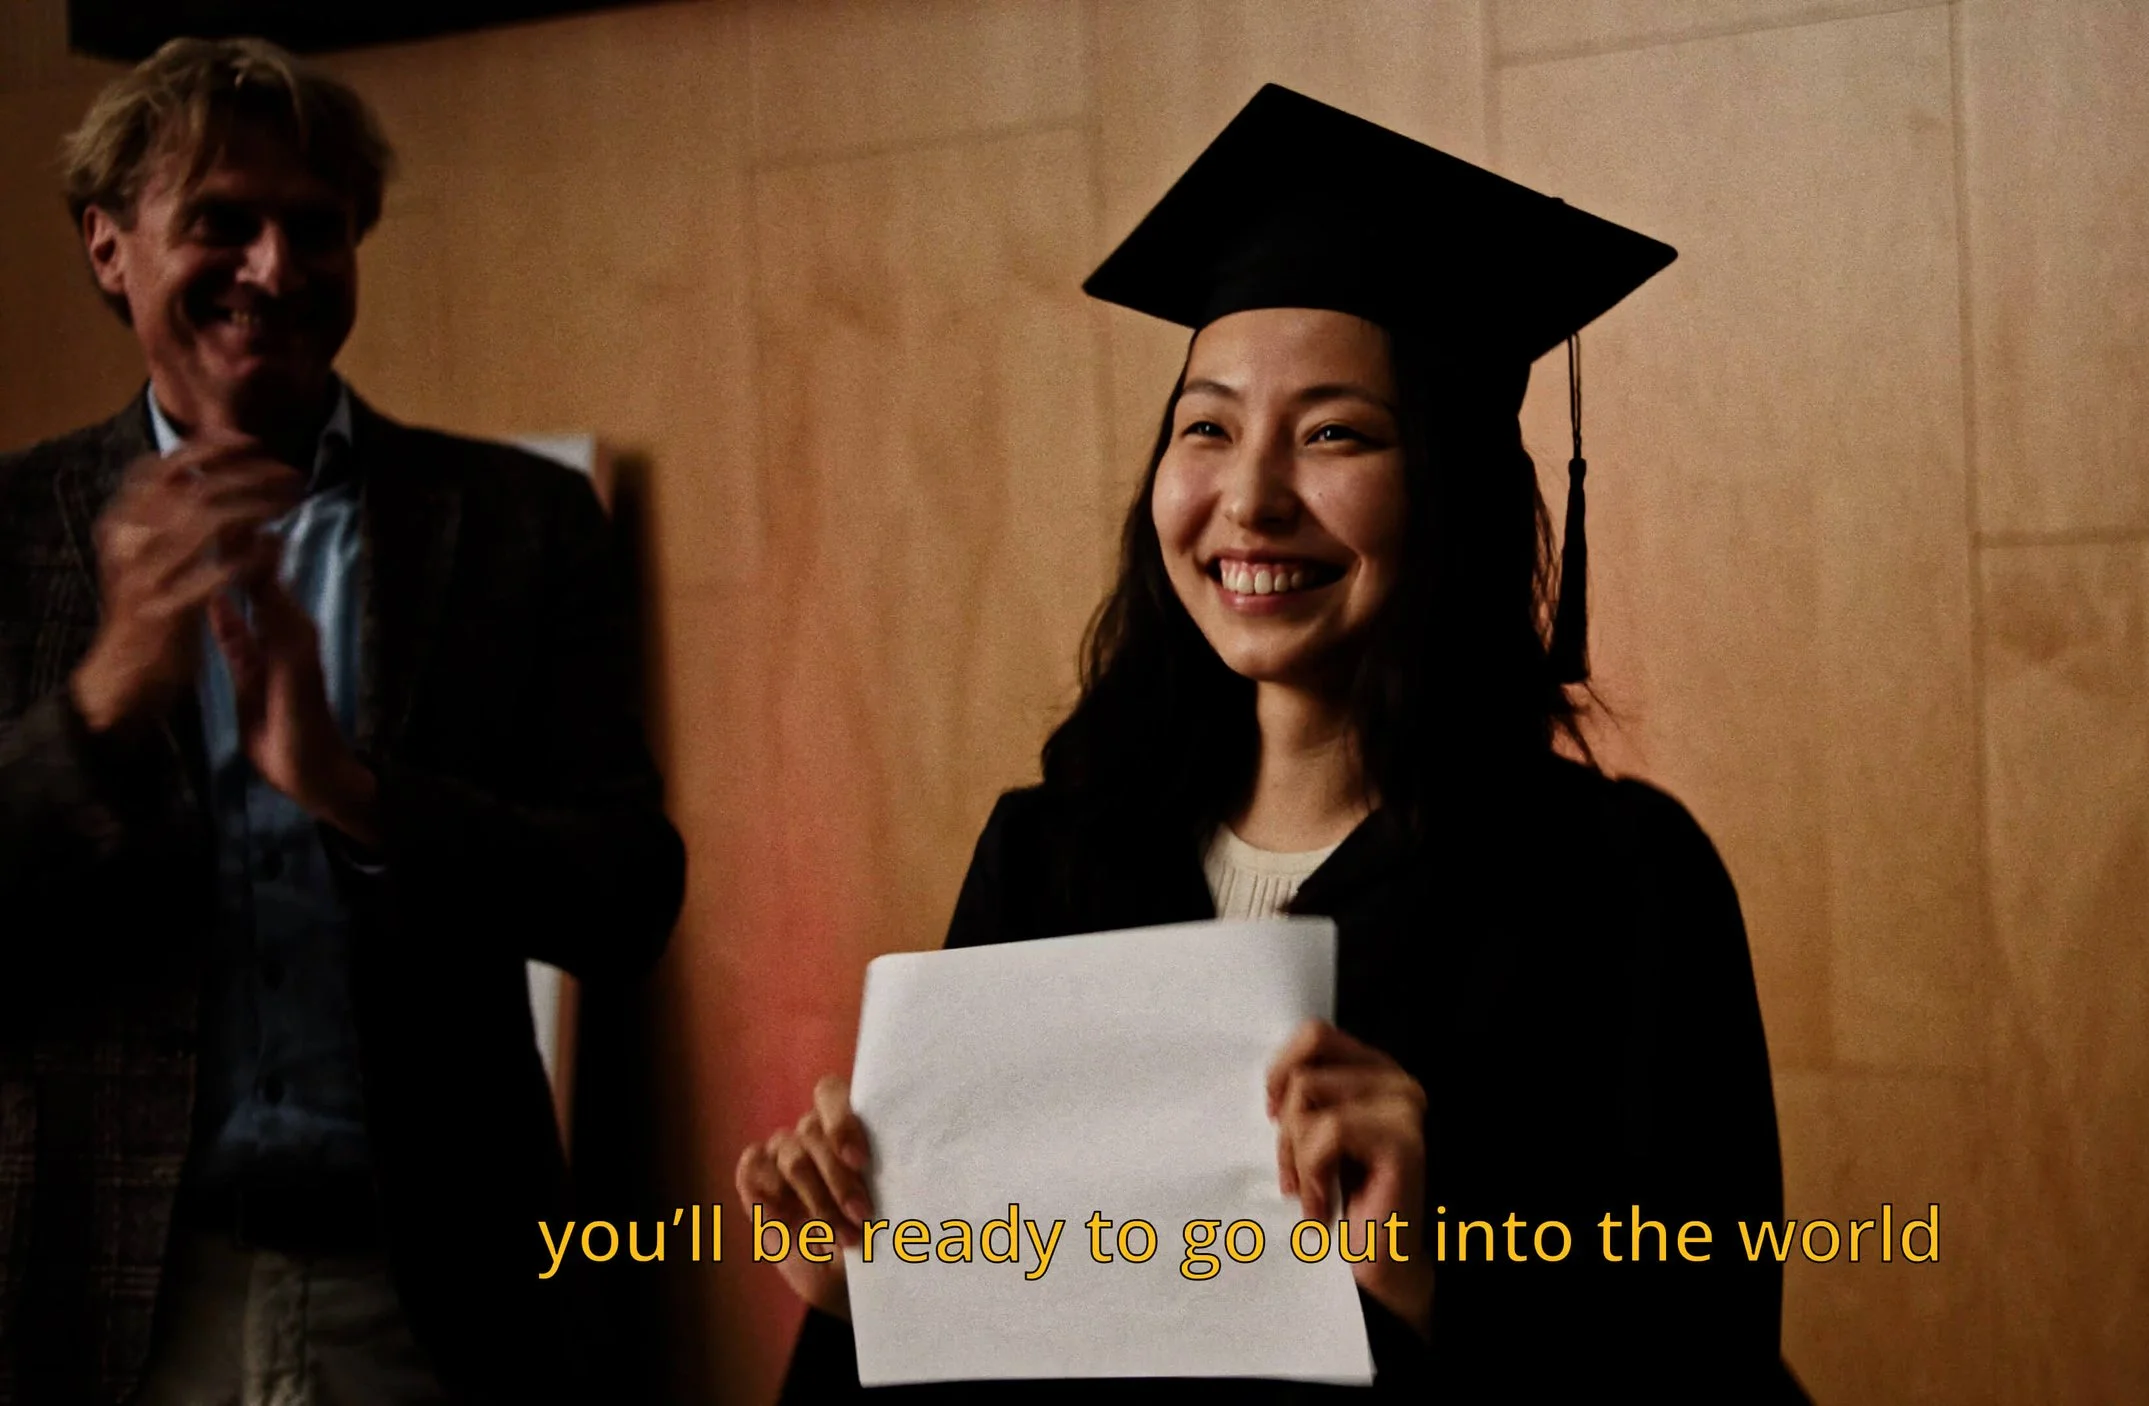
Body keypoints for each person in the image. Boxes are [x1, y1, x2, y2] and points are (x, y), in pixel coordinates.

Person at [741, 86, 1794, 1398]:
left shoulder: (1617, 884)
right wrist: (869, 1289)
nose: (1250, 496)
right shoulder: (1052, 855)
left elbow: (1713, 1363)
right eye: (1208, 425)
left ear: (1449, 484)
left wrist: (1434, 1275)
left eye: (1334, 431)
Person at [0, 37, 685, 1405]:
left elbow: (628, 895)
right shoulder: (7, 534)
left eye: (316, 227)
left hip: (441, 1298)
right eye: (219, 222)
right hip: (95, 1306)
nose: (274, 267)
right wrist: (105, 698)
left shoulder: (514, 526)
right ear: (108, 247)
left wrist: (354, 788)